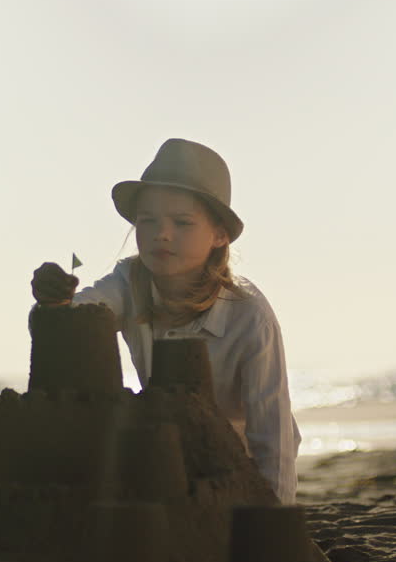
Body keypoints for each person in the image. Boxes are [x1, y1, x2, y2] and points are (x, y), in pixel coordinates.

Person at [31, 138, 299, 503]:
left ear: (220, 235)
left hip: (234, 477)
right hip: (165, 461)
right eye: (148, 221)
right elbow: (76, 323)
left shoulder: (250, 316)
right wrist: (53, 303)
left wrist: (272, 523)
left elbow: (275, 438)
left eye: (183, 222)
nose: (162, 233)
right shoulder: (128, 282)